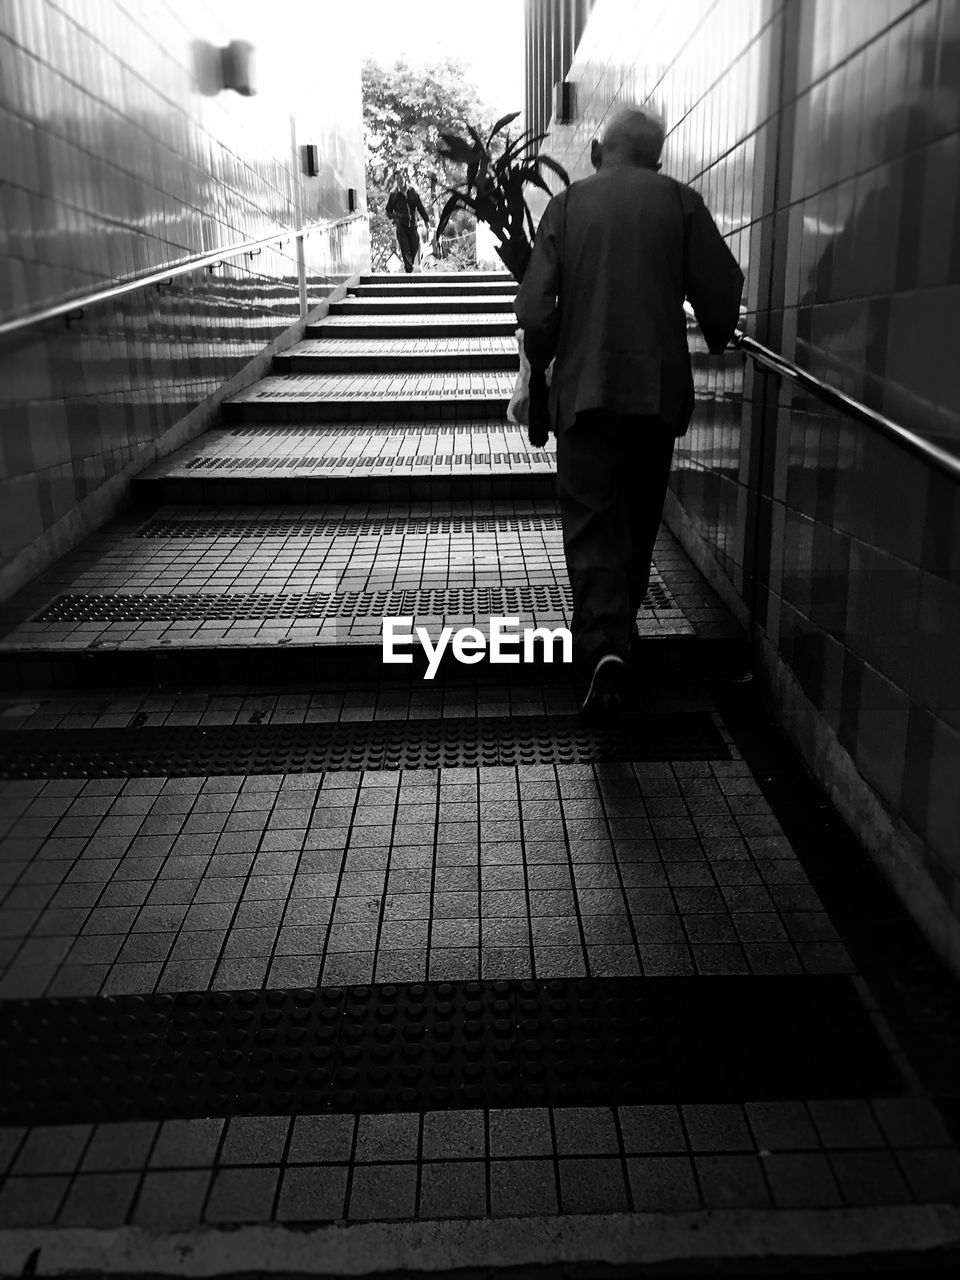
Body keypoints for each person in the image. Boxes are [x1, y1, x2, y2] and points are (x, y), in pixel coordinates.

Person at [515, 105, 744, 719]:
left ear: (594, 151)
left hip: (586, 393)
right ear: (657, 158)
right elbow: (723, 291)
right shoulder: (681, 202)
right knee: (640, 519)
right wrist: (720, 333)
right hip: (656, 394)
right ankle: (620, 630)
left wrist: (541, 358)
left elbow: (536, 311)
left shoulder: (567, 207)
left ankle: (602, 647)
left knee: (591, 521)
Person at [386, 171, 430, 273]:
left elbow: (420, 206)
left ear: (404, 177)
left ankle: (409, 265)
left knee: (415, 246)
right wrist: (394, 220)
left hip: (412, 224)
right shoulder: (394, 194)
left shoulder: (412, 191)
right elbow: (388, 210)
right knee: (405, 248)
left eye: (400, 178)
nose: (399, 181)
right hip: (401, 225)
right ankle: (409, 270)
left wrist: (426, 220)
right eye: (397, 179)